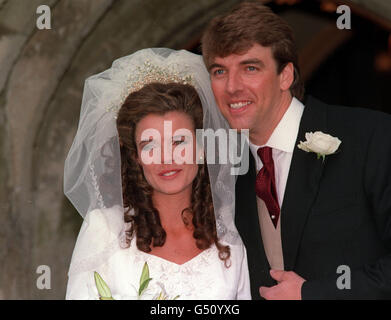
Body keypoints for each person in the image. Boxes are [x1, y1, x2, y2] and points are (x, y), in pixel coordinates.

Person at [201, 2, 391, 299]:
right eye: (219, 71)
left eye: (250, 68)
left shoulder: (370, 136)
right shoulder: (225, 173)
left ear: (285, 76)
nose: (232, 87)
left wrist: (313, 293)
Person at [64, 48, 251, 300]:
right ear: (135, 156)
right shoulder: (104, 230)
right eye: (150, 144)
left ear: (201, 148)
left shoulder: (229, 238)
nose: (167, 157)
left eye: (179, 142)